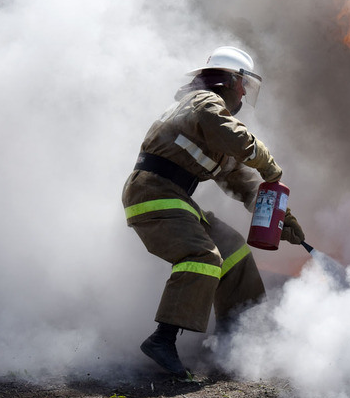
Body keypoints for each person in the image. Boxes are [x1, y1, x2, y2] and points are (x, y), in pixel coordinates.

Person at [121, 46, 305, 376]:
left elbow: (241, 181)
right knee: (203, 256)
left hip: (174, 197)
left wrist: (281, 219)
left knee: (233, 250)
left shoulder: (208, 127)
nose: (245, 93)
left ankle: (237, 342)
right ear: (229, 81)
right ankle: (162, 340)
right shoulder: (202, 103)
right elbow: (237, 140)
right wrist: (268, 163)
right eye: (243, 84)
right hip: (153, 194)